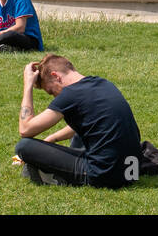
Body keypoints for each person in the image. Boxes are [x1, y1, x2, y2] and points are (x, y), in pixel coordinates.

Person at [15, 54, 143, 188]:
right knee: (81, 131)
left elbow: (25, 130)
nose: (55, 97)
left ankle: (56, 177)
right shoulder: (102, 83)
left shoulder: (70, 94)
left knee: (24, 146)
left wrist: (28, 85)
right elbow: (90, 122)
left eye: (51, 91)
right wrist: (52, 138)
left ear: (56, 76)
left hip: (106, 175)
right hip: (132, 172)